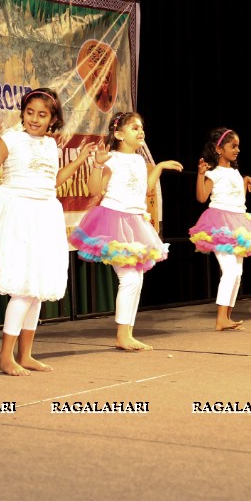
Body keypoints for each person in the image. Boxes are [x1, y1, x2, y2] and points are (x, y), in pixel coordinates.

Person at [0, 88, 94, 376]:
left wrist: (78, 161)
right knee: (24, 288)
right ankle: (5, 355)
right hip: (17, 212)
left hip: (45, 213)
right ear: (22, 113)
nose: (35, 119)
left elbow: (53, 181)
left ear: (53, 119)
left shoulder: (50, 145)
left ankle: (26, 354)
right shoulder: (10, 139)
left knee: (36, 290)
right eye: (30, 112)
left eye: (42, 114)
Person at [69, 111, 182, 350]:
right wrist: (98, 165)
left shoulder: (140, 160)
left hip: (135, 220)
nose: (141, 131)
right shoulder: (112, 158)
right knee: (129, 278)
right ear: (119, 134)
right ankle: (122, 334)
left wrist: (159, 167)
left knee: (136, 279)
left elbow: (146, 191)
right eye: (134, 128)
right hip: (114, 221)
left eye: (141, 127)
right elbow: (94, 189)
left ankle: (127, 332)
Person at [189, 127, 251, 331]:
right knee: (230, 270)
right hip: (219, 222)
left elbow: (238, 199)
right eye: (233, 146)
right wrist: (200, 174)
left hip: (238, 221)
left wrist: (245, 181)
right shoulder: (213, 173)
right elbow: (201, 197)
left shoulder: (234, 171)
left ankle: (228, 316)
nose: (237, 150)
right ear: (219, 149)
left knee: (237, 272)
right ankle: (221, 318)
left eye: (238, 146)